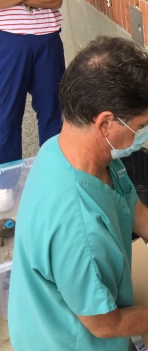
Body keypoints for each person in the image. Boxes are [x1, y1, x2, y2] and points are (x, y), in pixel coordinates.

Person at [8, 36, 148, 351]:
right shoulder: (80, 227)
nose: (143, 133)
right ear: (106, 123)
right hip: (68, 348)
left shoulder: (69, 149)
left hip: (51, 312)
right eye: (142, 125)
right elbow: (105, 325)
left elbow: (135, 212)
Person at [0, 0, 65, 211]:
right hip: (8, 39)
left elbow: (56, 2)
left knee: (52, 112)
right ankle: (6, 182)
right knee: (6, 114)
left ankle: (55, 175)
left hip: (48, 39)